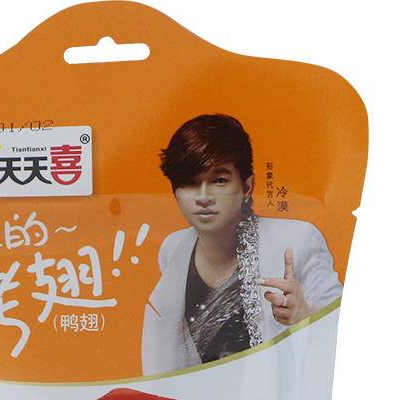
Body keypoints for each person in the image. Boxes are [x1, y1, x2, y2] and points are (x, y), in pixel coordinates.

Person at [141, 114, 342, 375]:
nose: (203, 197)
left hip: (273, 397)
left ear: (247, 186)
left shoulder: (297, 240)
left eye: (219, 180)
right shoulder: (173, 249)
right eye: (189, 182)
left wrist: (306, 315)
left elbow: (349, 333)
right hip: (194, 397)